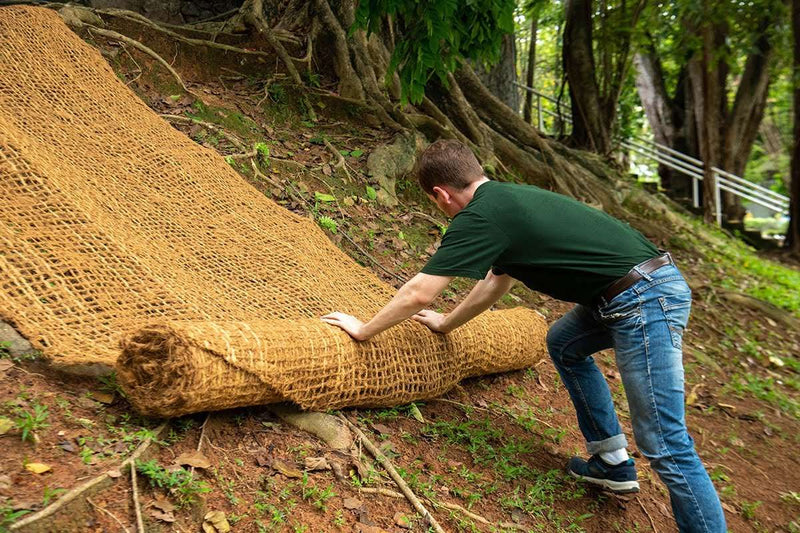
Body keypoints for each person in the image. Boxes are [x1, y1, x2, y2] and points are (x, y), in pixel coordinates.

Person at [321, 139, 726, 533]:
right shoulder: (507, 200)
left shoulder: (481, 216)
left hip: (643, 301)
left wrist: (364, 329)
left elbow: (419, 292)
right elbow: (496, 281)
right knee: (564, 344)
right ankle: (611, 463)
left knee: (665, 443)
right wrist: (446, 324)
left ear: (441, 195)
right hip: (631, 292)